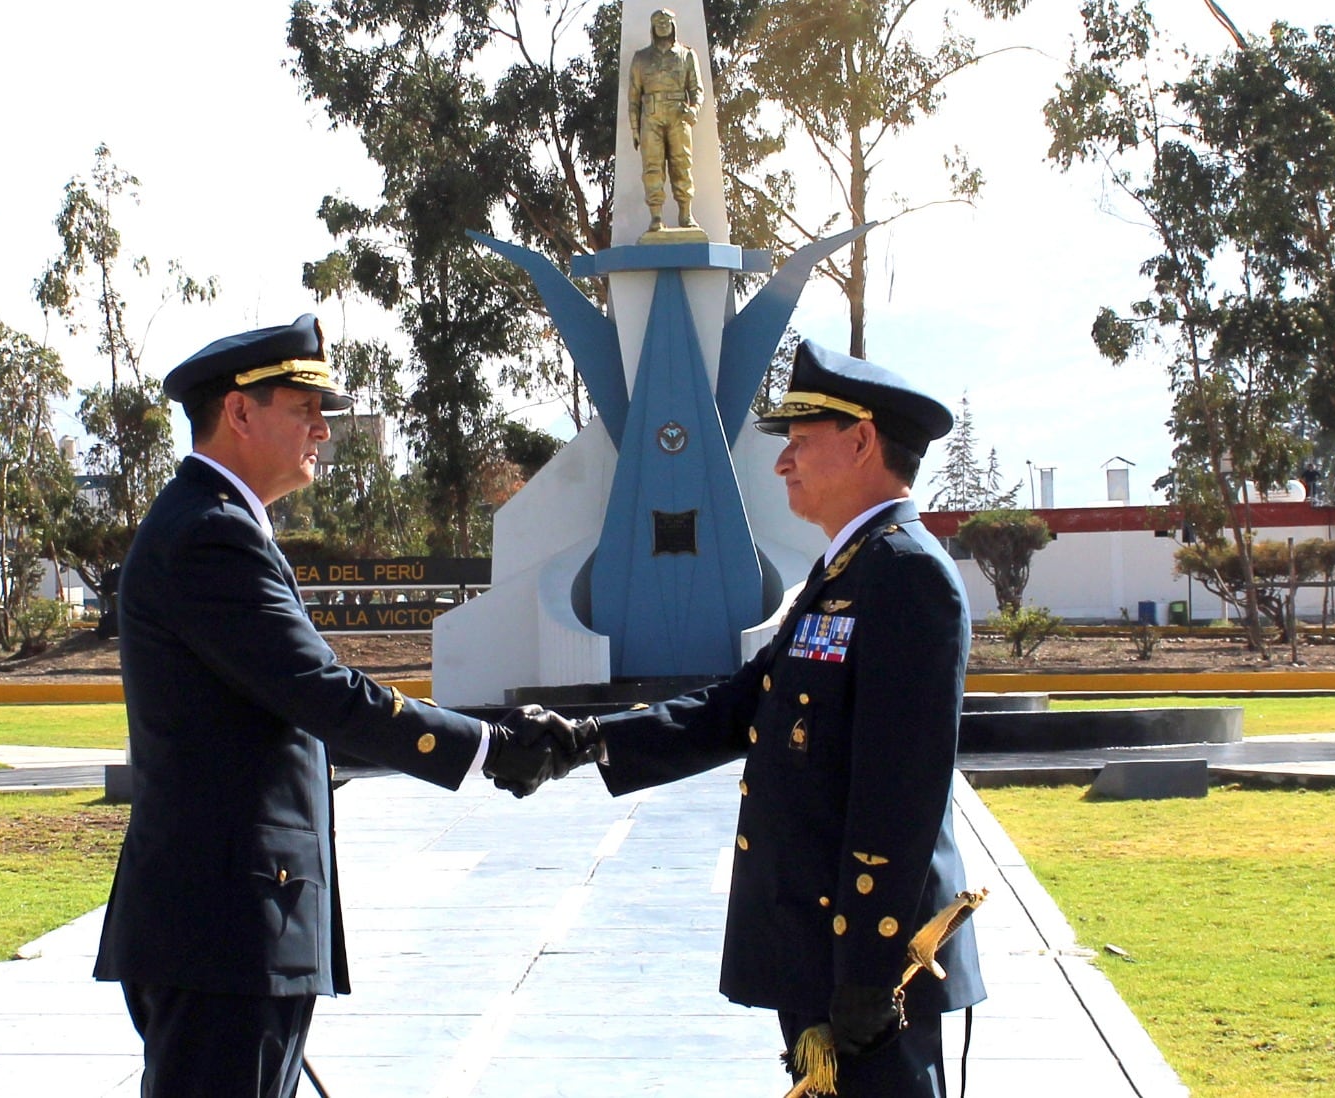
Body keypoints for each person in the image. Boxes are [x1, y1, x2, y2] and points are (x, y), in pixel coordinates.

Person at [93, 313, 586, 1098]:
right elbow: (322, 692)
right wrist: (490, 746)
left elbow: (289, 713)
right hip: (225, 928)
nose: (324, 429)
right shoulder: (209, 536)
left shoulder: (213, 525)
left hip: (226, 924)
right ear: (241, 412)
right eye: (306, 409)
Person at [568, 340, 987, 1096]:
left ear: (861, 441)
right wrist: (585, 741)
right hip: (822, 949)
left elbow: (902, 796)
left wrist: (869, 968)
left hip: (870, 967)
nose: (781, 462)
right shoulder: (844, 572)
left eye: (799, 442)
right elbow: (742, 706)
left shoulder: (907, 576)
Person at [629, 7, 703, 233]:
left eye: (666, 22)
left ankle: (685, 213)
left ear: (673, 26)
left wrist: (694, 109)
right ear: (653, 27)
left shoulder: (687, 55)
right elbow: (633, 96)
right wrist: (634, 128)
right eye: (658, 23)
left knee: (682, 164)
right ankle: (656, 216)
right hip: (650, 117)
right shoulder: (641, 58)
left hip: (678, 115)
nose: (662, 26)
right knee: (652, 167)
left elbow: (696, 89)